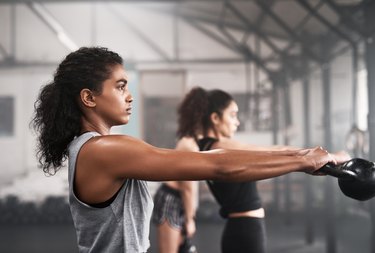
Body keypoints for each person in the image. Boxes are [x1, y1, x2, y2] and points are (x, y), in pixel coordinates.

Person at [30, 46, 350, 253]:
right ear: (89, 98)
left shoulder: (86, 148)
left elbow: (223, 158)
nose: (130, 96)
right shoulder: (105, 150)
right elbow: (217, 166)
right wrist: (302, 160)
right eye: (121, 86)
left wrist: (302, 155)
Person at [177, 87, 349, 253]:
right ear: (215, 118)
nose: (237, 122)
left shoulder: (206, 146)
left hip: (239, 229)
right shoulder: (219, 146)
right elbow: (275, 151)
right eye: (232, 115)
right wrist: (329, 155)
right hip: (245, 230)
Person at [151, 136, 199, 253]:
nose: (236, 123)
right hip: (171, 198)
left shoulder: (194, 144)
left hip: (180, 200)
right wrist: (189, 220)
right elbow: (187, 188)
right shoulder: (189, 144)